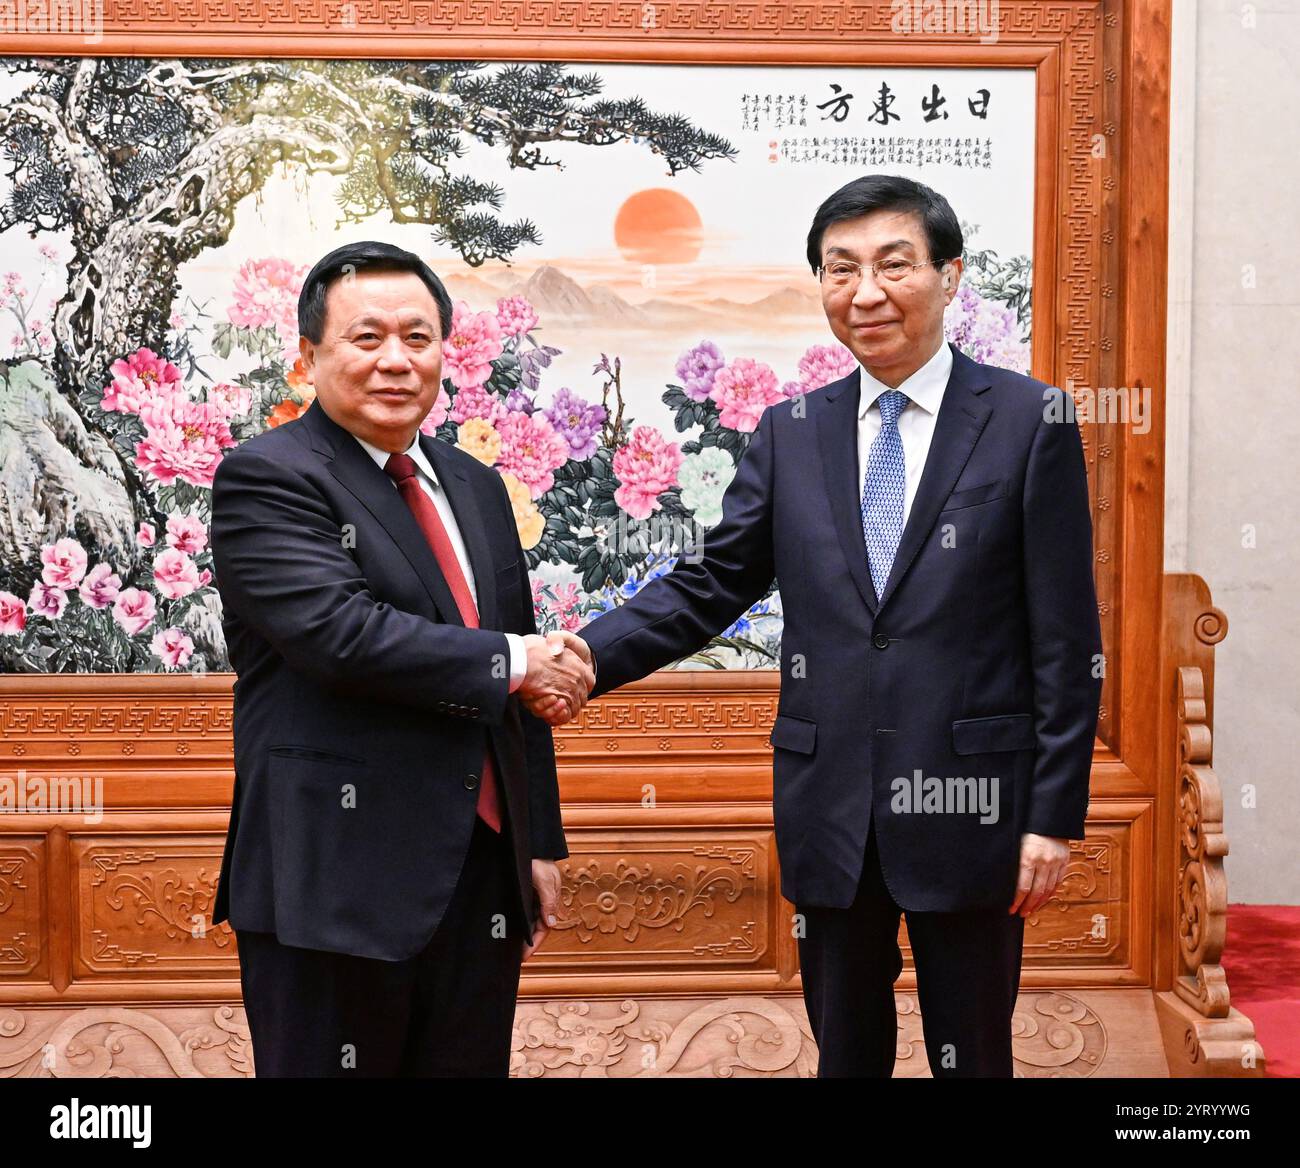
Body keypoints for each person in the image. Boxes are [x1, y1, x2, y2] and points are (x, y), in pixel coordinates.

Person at [530, 175, 1102, 1077]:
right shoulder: (791, 431)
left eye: (892, 265)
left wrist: (1052, 817)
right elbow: (713, 584)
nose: (864, 292)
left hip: (976, 803)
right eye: (840, 270)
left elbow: (1068, 638)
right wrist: (583, 655)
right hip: (829, 800)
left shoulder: (1029, 421)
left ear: (950, 277)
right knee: (846, 1052)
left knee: (974, 1050)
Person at [209, 241, 594, 1077]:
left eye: (418, 339)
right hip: (334, 878)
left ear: (444, 354)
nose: (395, 361)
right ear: (309, 356)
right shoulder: (266, 477)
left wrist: (538, 840)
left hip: (481, 872)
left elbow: (514, 680)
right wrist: (522, 661)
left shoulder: (475, 485)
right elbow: (339, 633)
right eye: (366, 338)